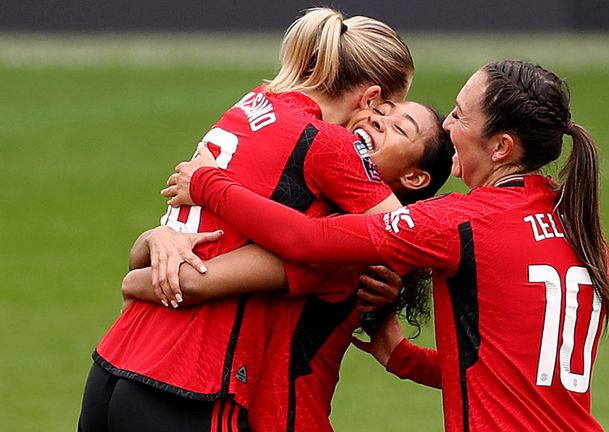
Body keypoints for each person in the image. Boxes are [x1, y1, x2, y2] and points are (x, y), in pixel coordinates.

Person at [164, 59, 609, 431]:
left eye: (458, 115)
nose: (448, 125)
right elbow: (519, 375)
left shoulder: (464, 222)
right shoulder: (580, 229)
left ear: (500, 148)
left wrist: (208, 183)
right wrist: (404, 358)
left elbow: (306, 240)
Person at [78, 7, 417, 431]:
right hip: (191, 378)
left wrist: (153, 241)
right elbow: (402, 233)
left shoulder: (253, 103)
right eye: (388, 110)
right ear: (370, 98)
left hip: (119, 355)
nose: (378, 126)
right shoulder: (329, 145)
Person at [121, 100, 453, 431]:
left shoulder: (348, 245)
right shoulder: (299, 205)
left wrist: (134, 281)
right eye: (380, 111)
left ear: (414, 178)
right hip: (230, 411)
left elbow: (197, 278)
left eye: (399, 128)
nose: (379, 120)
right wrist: (158, 237)